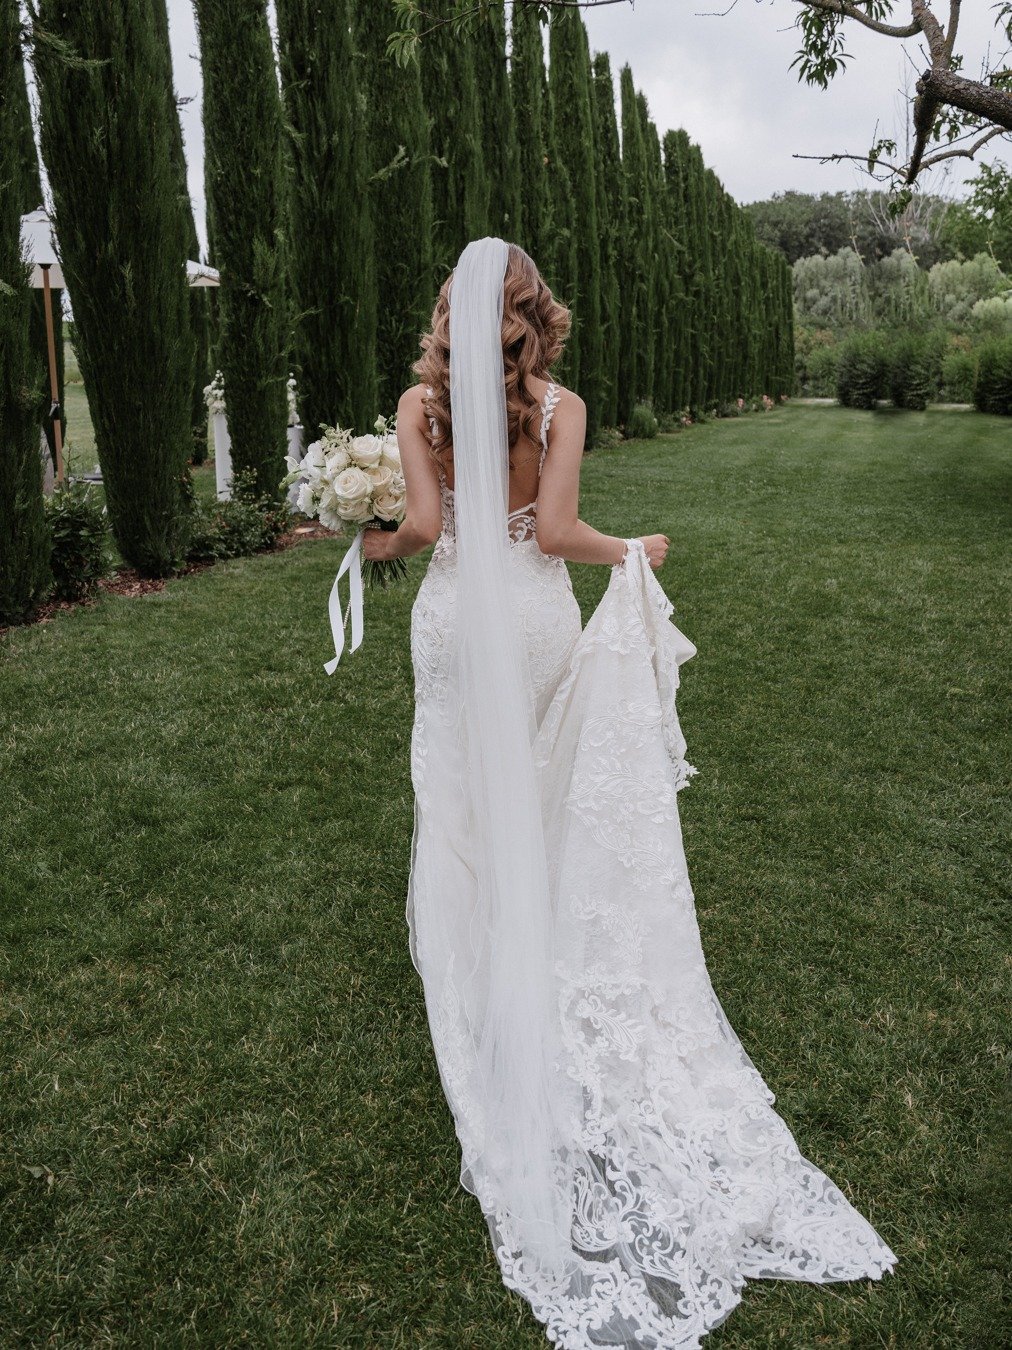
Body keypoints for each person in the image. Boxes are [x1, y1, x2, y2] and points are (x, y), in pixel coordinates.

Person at [362, 237, 896, 1348]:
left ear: (452, 316)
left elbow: (416, 531)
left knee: (456, 797)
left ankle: (480, 971)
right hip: (537, 616)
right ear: (534, 314)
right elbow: (555, 535)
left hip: (459, 623)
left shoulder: (418, 407)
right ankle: (548, 950)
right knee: (548, 788)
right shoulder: (562, 406)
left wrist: (358, 543)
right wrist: (632, 547)